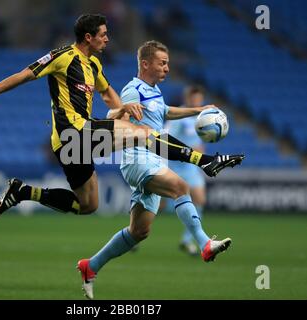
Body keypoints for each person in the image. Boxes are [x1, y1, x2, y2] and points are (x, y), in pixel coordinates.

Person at [0, 14, 242, 219]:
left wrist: (124, 110)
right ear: (88, 37)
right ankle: (205, 161)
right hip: (74, 133)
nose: (108, 39)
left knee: (88, 206)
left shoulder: (93, 64)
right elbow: (24, 74)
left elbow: (108, 95)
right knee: (144, 135)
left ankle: (23, 192)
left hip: (75, 143)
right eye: (103, 34)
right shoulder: (62, 56)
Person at [76, 40, 244, 299]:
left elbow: (165, 112)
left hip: (153, 160)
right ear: (146, 64)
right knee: (180, 187)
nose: (167, 68)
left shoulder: (153, 91)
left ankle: (90, 266)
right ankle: (204, 243)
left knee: (139, 231)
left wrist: (198, 110)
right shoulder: (133, 90)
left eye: (167, 63)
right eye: (162, 63)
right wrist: (120, 111)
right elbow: (113, 118)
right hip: (137, 158)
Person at [164, 86, 208, 256]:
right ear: (188, 99)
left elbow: (199, 142)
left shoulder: (203, 118)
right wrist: (191, 149)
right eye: (195, 99)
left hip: (190, 167)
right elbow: (167, 137)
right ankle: (134, 234)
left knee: (200, 200)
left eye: (200, 99)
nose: (198, 102)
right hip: (174, 165)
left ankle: (187, 240)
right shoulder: (180, 117)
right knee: (157, 204)